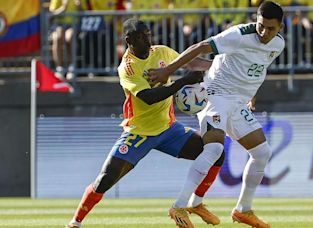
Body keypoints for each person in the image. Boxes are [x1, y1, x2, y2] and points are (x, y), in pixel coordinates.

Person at [65, 18, 225, 228]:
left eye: (148, 34)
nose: (147, 40)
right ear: (129, 40)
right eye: (141, 37)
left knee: (216, 152)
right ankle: (75, 223)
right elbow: (149, 97)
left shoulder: (161, 51)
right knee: (105, 179)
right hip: (139, 133)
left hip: (169, 129)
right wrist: (182, 82)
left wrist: (220, 65)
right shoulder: (127, 68)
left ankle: (196, 203)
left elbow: (192, 63)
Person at [149, 1, 285, 227]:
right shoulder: (239, 35)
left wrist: (251, 95)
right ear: (256, 20)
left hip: (238, 102)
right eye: (261, 26)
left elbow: (257, 69)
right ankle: (179, 206)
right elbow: (201, 46)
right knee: (214, 148)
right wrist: (168, 70)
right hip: (216, 94)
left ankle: (243, 210)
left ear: (280, 27)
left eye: (270, 28)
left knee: (262, 153)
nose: (264, 32)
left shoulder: (277, 44)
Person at [49, 0, 83, 79]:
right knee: (57, 37)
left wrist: (79, 7)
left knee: (70, 37)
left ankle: (71, 68)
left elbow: (85, 13)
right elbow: (51, 14)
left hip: (74, 25)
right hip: (59, 25)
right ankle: (59, 68)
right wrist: (63, 8)